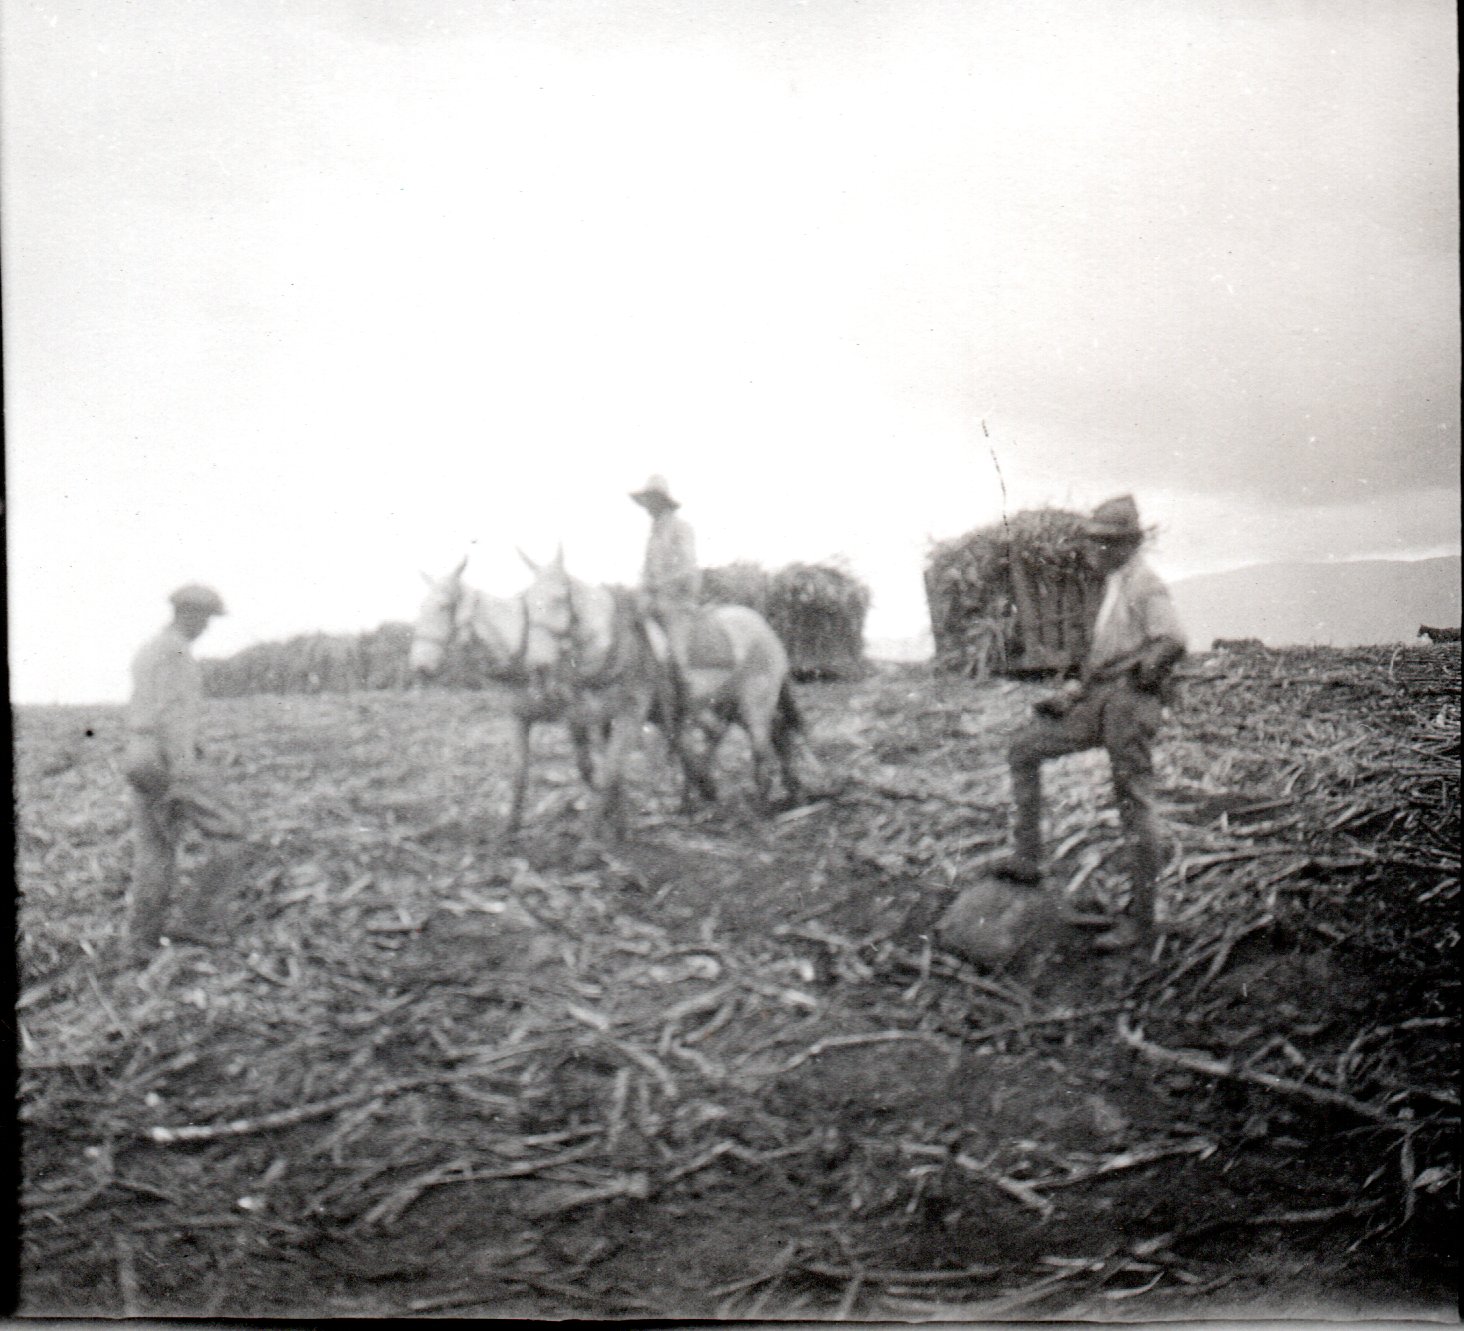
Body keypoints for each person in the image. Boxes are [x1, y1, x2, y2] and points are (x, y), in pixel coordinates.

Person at [993, 495, 1187, 952]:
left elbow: (1173, 639)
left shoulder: (1145, 585)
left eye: (1107, 543)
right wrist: (1072, 696)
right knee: (1023, 750)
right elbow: (1104, 659)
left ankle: (1141, 921)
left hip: (1128, 707)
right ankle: (1027, 860)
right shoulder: (1116, 585)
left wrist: (1144, 675)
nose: (1095, 550)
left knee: (1134, 804)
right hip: (1102, 701)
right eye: (1095, 541)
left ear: (1131, 544)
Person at [122, 583, 239, 960]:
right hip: (167, 758)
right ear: (189, 615)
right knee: (233, 834)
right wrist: (186, 770)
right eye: (205, 619)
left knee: (155, 848)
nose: (206, 627)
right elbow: (173, 717)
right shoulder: (175, 653)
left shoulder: (149, 648)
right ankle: (198, 921)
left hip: (139, 753)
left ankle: (141, 942)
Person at [631, 474, 702, 670]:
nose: (648, 506)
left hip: (678, 603)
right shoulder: (653, 535)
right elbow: (646, 570)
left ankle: (684, 696)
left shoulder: (681, 528)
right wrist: (642, 587)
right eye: (646, 501)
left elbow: (688, 567)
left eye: (652, 500)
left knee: (676, 658)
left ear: (662, 502)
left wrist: (658, 584)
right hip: (653, 603)